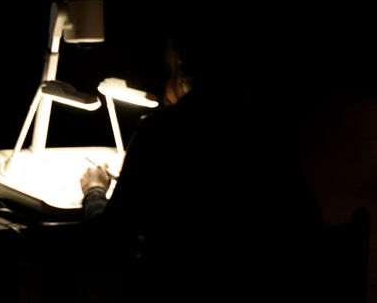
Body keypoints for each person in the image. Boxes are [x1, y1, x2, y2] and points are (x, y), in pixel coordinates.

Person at [71, 31, 324, 302]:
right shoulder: (272, 133)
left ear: (179, 62)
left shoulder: (161, 133)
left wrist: (95, 191)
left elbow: (107, 247)